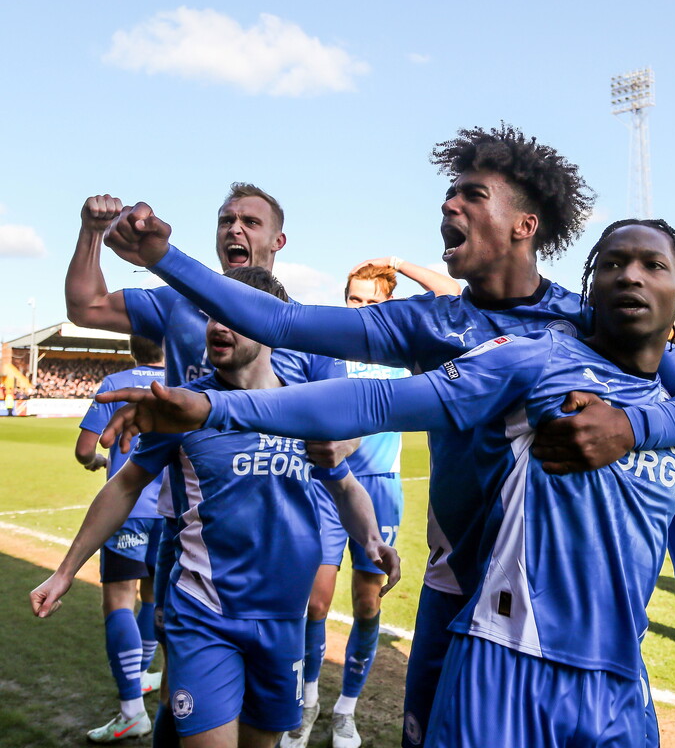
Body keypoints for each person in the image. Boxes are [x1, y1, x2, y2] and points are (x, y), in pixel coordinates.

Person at [99, 124, 675, 746]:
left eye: (472, 194)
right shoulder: (429, 323)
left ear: (525, 225)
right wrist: (164, 257)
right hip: (453, 585)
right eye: (450, 192)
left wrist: (631, 426)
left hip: (554, 609)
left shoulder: (589, 319)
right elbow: (287, 323)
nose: (449, 203)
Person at [32, 267, 400, 748]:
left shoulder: (304, 407)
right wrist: (64, 572)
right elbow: (124, 487)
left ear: (271, 326)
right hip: (206, 616)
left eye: (233, 316)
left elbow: (343, 483)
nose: (216, 326)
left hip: (282, 621)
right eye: (211, 315)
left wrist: (371, 539)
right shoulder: (185, 406)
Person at [65, 185, 346, 747]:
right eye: (225, 220)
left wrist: (335, 522)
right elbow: (84, 306)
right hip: (187, 529)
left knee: (248, 709)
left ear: (277, 240)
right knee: (187, 688)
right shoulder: (177, 302)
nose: (234, 229)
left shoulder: (307, 328)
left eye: (249, 221)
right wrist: (91, 232)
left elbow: (341, 438)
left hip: (280, 534)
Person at [285, 260, 459, 748]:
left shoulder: (406, 350)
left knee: (366, 603)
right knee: (315, 600)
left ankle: (346, 711)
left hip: (379, 486)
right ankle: (309, 699)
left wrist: (399, 264)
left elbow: (452, 295)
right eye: (354, 299)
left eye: (372, 300)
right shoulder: (330, 346)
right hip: (325, 484)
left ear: (389, 303)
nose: (361, 309)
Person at [75, 335, 166, 742]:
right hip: (172, 510)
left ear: (133, 345)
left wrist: (95, 460)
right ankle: (143, 675)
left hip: (128, 508)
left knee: (117, 600)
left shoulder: (116, 382)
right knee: (151, 596)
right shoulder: (184, 384)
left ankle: (132, 709)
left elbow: (83, 449)